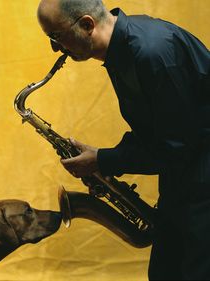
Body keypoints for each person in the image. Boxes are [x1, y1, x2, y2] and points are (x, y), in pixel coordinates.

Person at [37, 0, 210, 279]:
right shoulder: (123, 53)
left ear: (86, 24)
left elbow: (179, 147)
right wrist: (101, 158)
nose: (55, 49)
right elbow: (158, 131)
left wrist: (103, 160)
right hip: (186, 183)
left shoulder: (152, 52)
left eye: (55, 36)